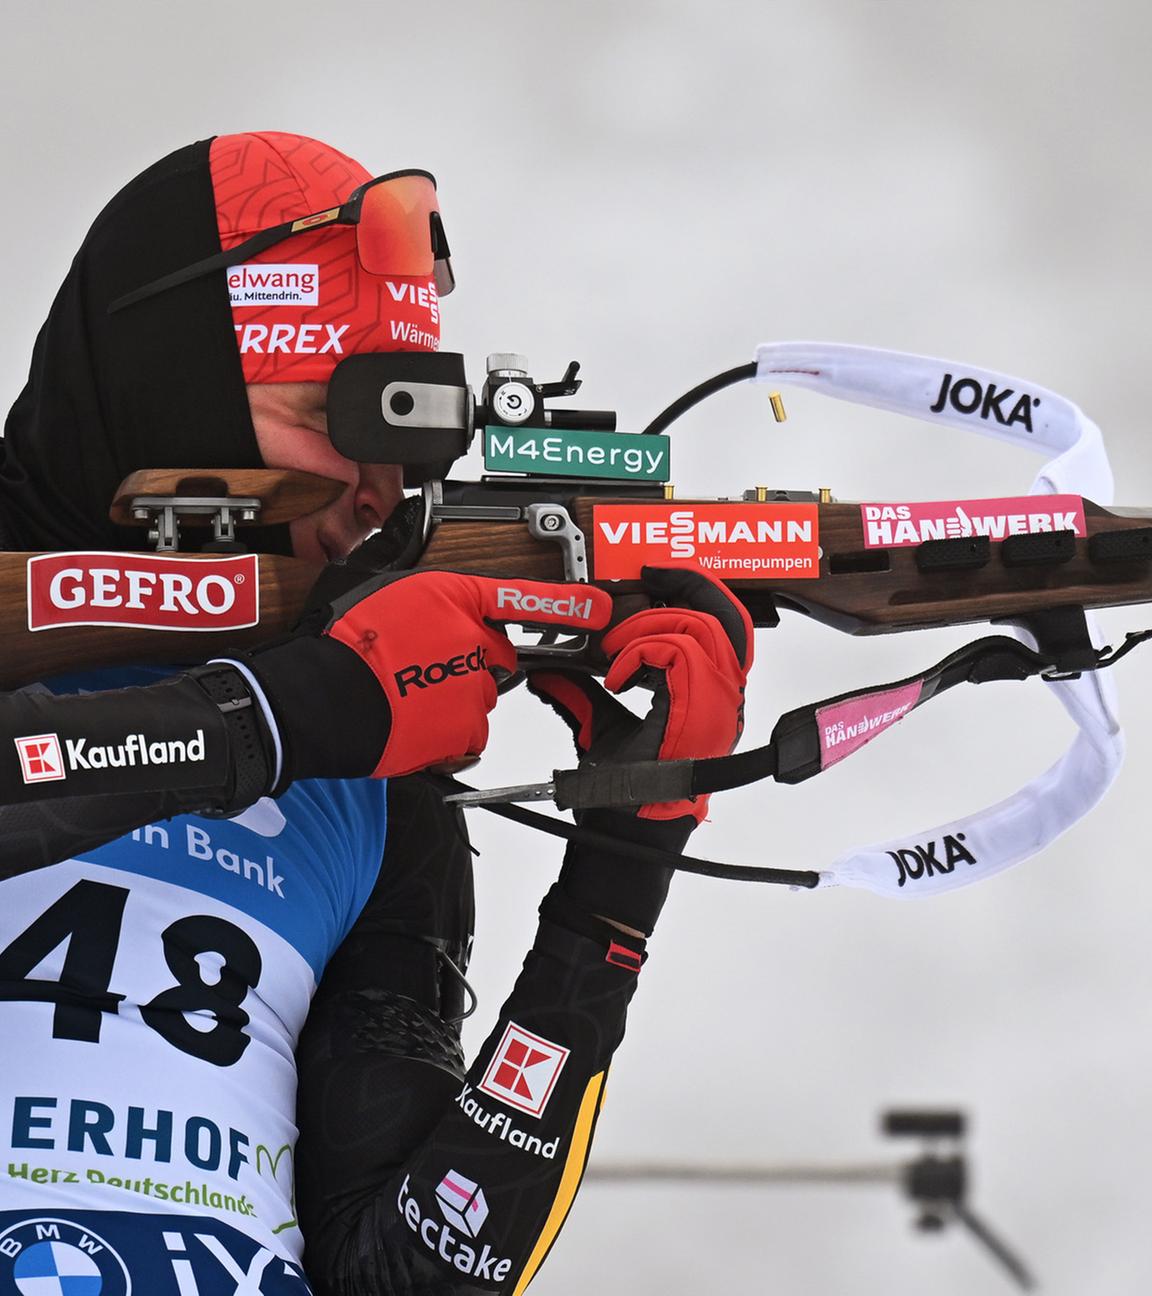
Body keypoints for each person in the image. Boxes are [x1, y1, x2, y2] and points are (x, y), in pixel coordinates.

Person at [0, 132, 753, 1295]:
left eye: (403, 435)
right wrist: (275, 717)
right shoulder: (333, 716)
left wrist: (622, 871)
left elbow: (414, 1267)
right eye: (326, 417)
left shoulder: (373, 761)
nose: (379, 489)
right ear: (170, 382)